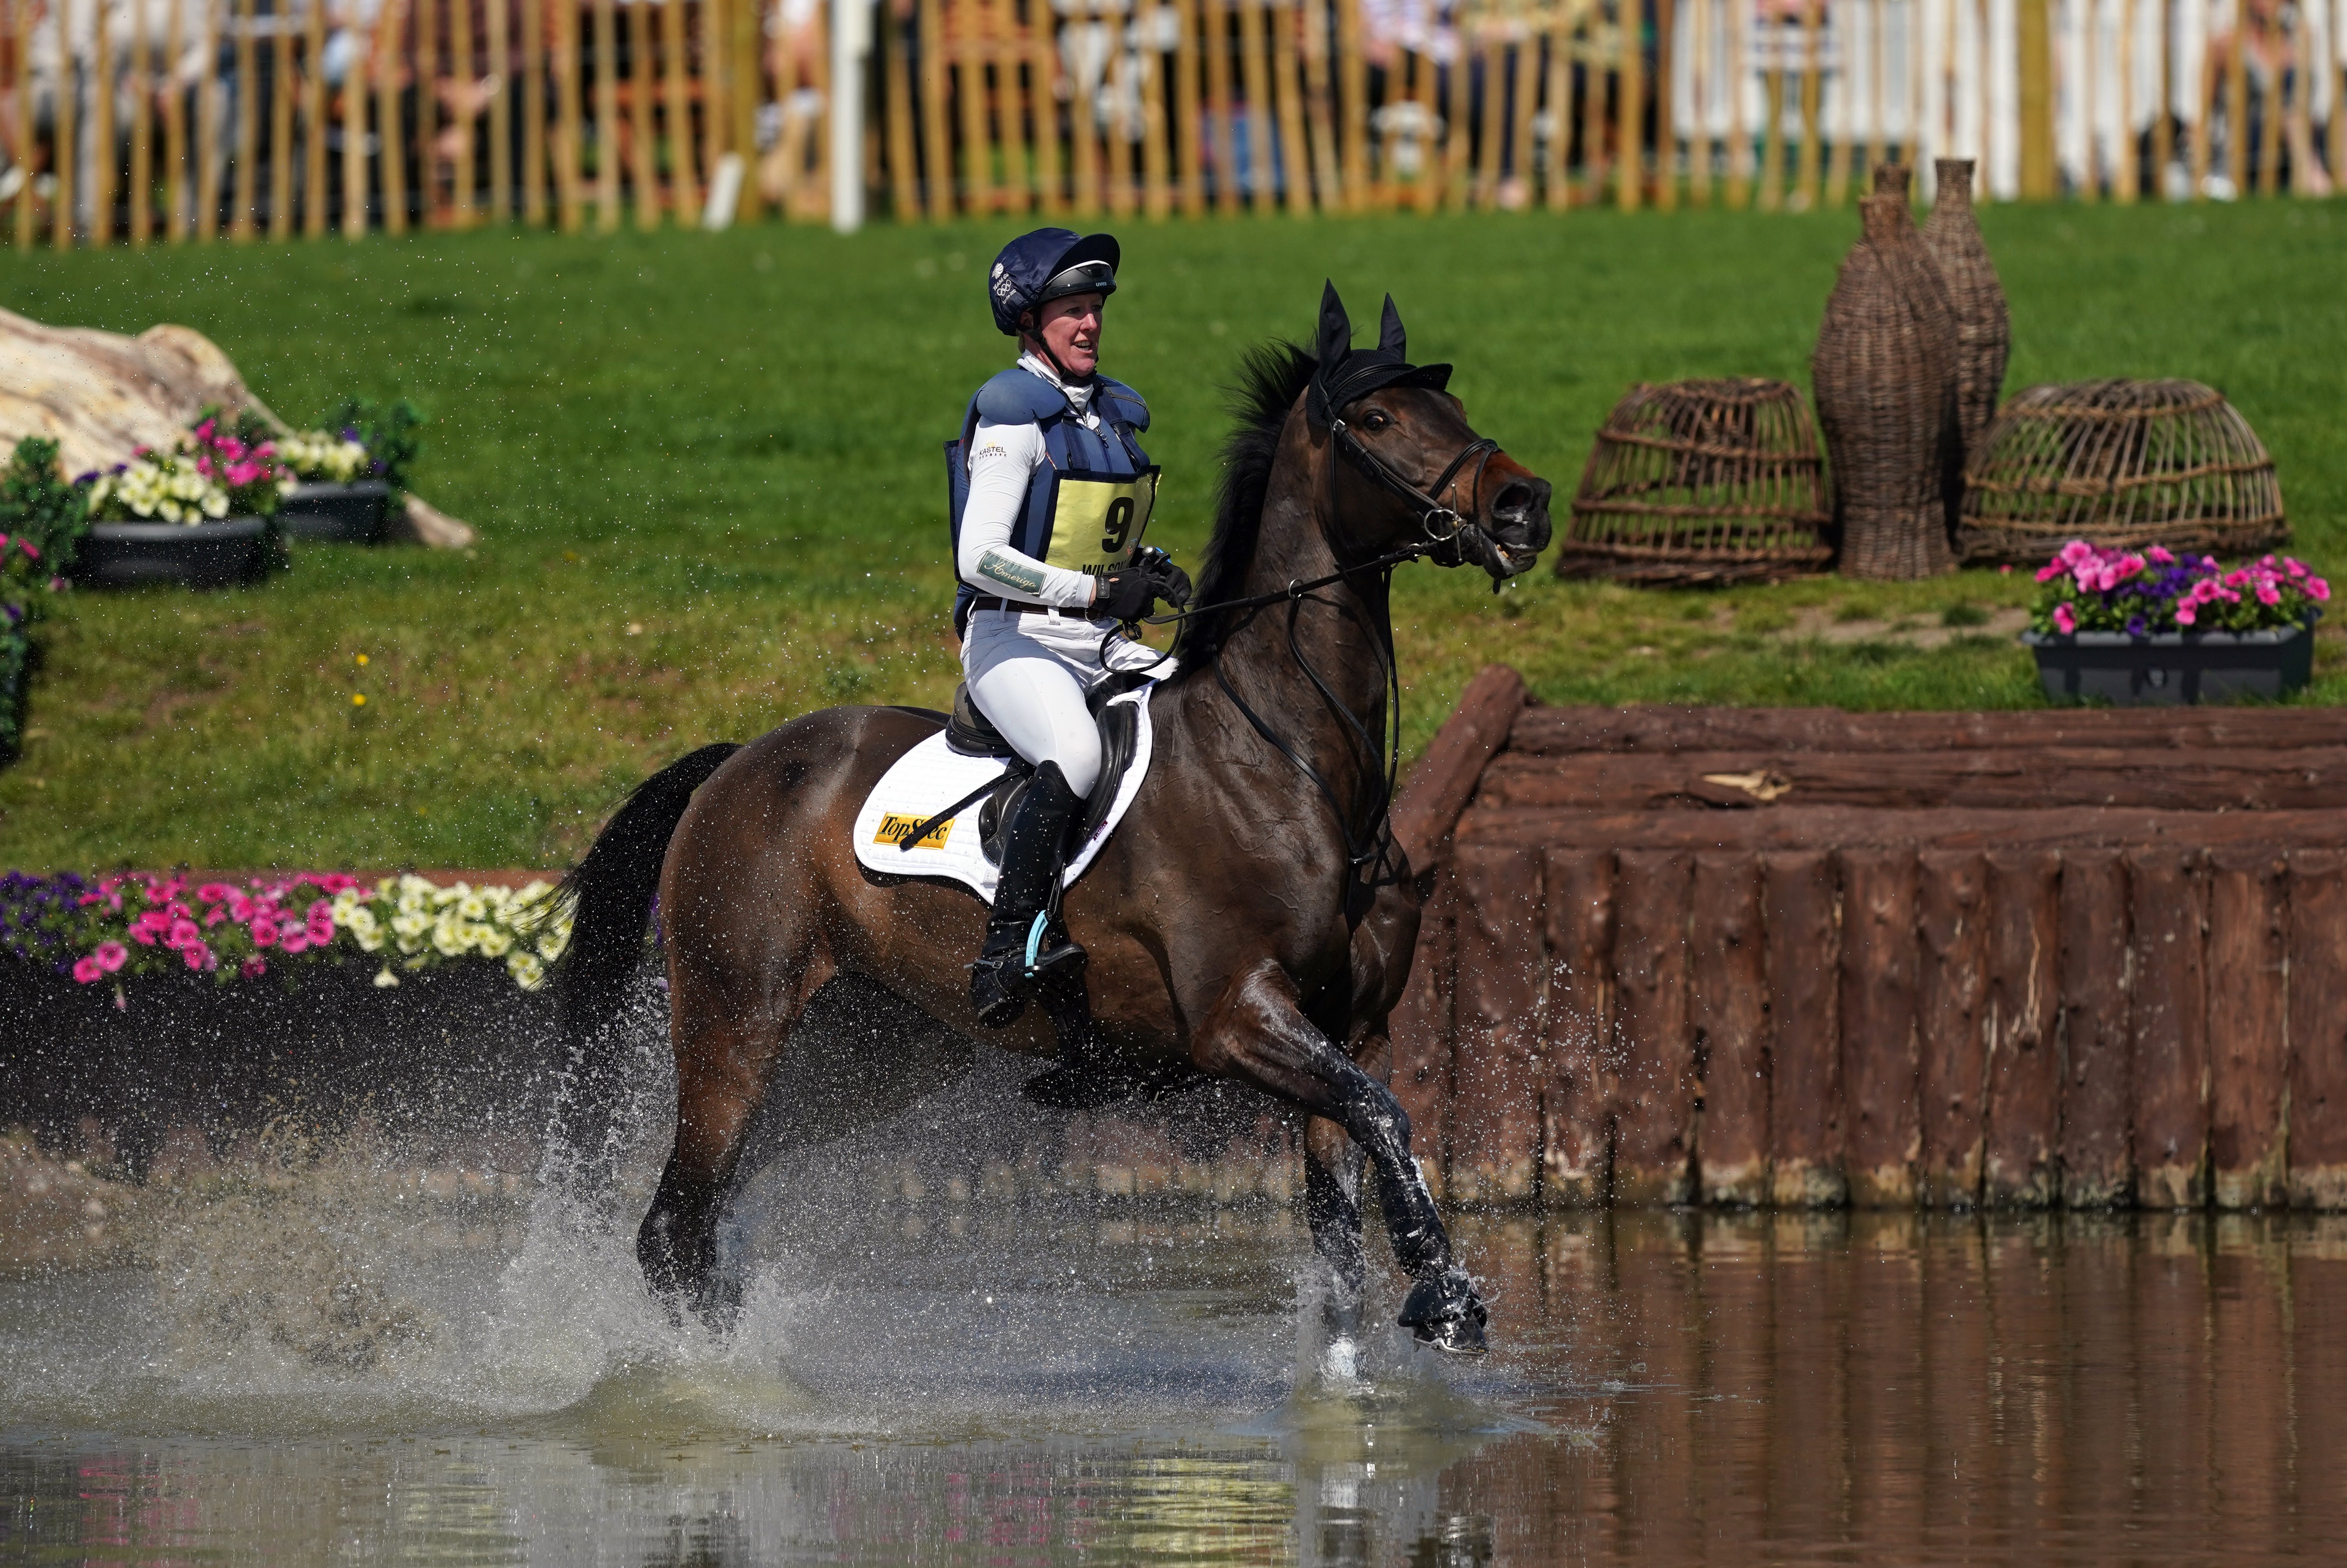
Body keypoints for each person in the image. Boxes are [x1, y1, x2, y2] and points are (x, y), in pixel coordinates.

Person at [947, 229, 1192, 1028]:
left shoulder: (1112, 416)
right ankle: (1006, 951)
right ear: (1029, 323)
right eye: (1071, 312)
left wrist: (1148, 570)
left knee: (1195, 720)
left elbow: (1089, 535)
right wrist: (1094, 592)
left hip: (1097, 642)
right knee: (1077, 752)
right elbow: (980, 557)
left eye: (1094, 310)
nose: (1089, 324)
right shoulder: (1013, 414)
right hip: (1016, 641)